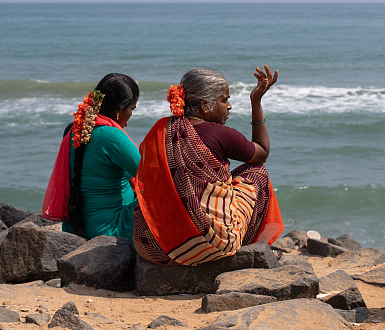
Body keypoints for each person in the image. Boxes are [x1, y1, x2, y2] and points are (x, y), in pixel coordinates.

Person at [133, 66, 284, 266]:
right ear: (205, 105)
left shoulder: (161, 130)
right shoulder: (221, 134)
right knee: (257, 173)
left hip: (153, 246)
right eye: (224, 100)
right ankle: (246, 248)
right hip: (208, 246)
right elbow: (262, 153)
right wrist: (256, 102)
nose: (229, 106)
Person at [60, 73, 140, 241]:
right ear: (119, 110)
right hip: (110, 228)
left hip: (77, 226)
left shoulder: (76, 130)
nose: (132, 114)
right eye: (132, 108)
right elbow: (151, 174)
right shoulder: (111, 136)